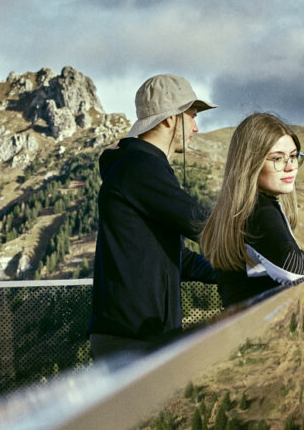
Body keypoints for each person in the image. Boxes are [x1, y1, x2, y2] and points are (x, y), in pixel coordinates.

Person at [88, 74, 218, 359]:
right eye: (192, 116)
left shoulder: (139, 168)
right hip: (130, 338)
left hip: (136, 334)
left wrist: (235, 272)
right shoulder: (140, 167)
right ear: (170, 118)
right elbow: (202, 223)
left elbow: (176, 257)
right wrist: (275, 257)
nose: (196, 127)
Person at [197, 112, 304, 306]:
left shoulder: (252, 206)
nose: (290, 166)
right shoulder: (257, 210)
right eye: (278, 158)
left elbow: (274, 263)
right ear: (251, 163)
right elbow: (291, 266)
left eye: (293, 156)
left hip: (243, 325)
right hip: (249, 330)